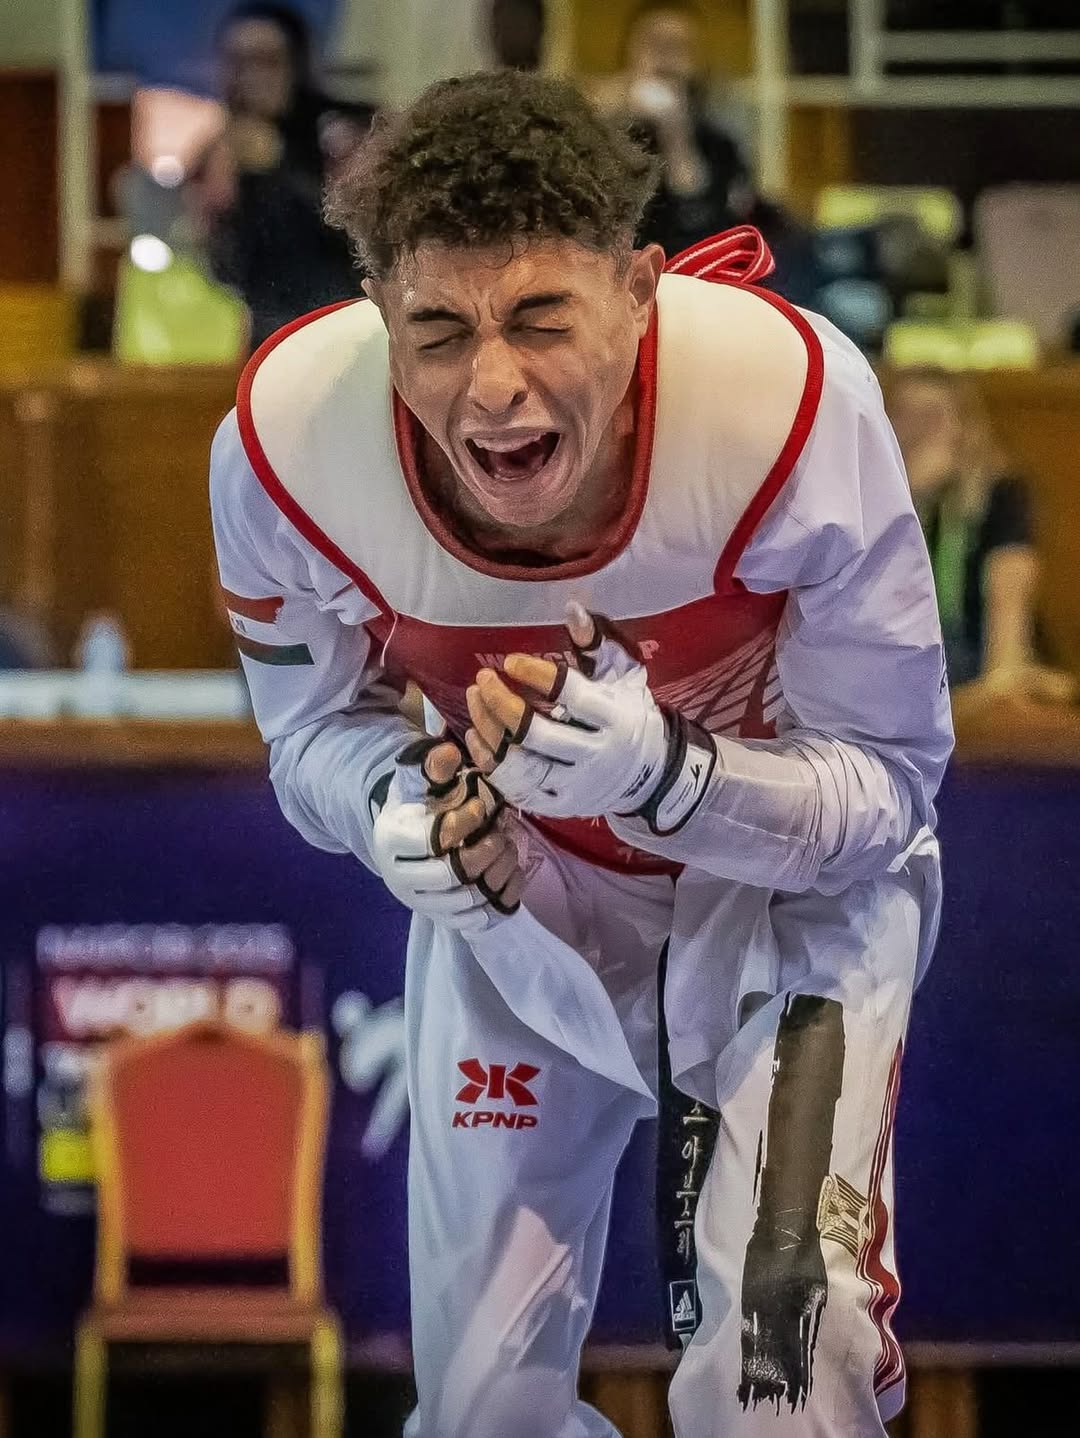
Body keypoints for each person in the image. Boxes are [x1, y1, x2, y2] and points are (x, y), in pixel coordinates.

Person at [210, 70, 952, 1438]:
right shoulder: (284, 447)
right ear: (378, 318)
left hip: (784, 898)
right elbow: (309, 736)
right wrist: (396, 810)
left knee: (783, 1376)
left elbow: (890, 793)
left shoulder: (788, 404)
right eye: (438, 330)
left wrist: (668, 775)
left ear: (643, 290)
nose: (494, 388)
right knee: (481, 1412)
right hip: (524, 903)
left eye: (543, 317)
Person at [592, 1, 820, 306]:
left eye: (679, 47)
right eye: (655, 44)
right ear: (629, 51)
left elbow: (701, 221)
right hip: (615, 282)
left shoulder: (717, 143)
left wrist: (675, 134)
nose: (666, 58)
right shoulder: (599, 125)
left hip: (695, 285)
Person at [188, 2, 372, 348]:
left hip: (345, 323)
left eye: (266, 61)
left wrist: (278, 168)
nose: (249, 77)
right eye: (237, 62)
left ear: (296, 65)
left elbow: (358, 238)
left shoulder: (341, 129)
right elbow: (221, 266)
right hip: (267, 329)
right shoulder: (223, 147)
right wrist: (218, 207)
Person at [886, 366, 1073, 701]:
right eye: (905, 417)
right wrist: (910, 499)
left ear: (963, 428)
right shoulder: (878, 499)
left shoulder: (999, 492)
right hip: (899, 660)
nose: (916, 433)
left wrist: (1001, 681)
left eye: (931, 418)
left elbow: (1009, 590)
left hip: (975, 659)